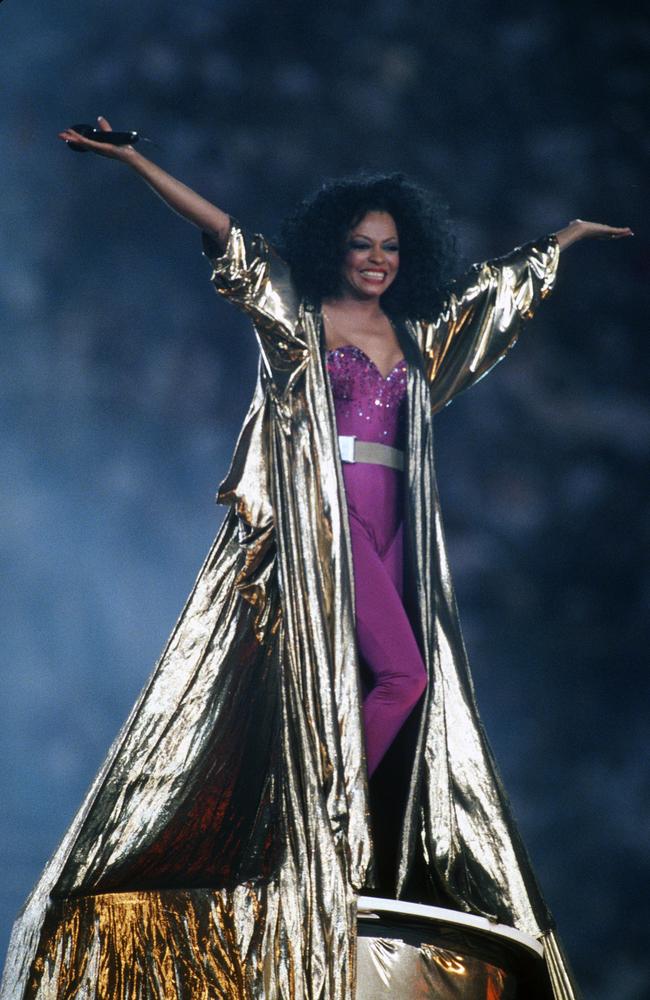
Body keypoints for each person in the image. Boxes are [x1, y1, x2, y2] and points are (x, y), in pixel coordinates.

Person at [1, 116, 632, 1000]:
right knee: (400, 679)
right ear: (334, 248)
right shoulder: (299, 320)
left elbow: (501, 295)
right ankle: (320, 831)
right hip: (325, 524)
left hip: (396, 526)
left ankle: (344, 825)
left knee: (403, 687)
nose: (377, 259)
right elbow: (224, 235)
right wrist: (133, 157)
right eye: (362, 244)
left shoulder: (417, 340)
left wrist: (563, 239)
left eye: (391, 247)